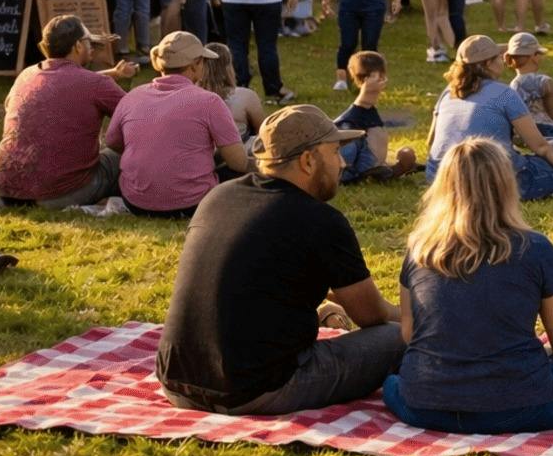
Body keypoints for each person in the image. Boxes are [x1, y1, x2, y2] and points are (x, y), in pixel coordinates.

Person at [156, 104, 405, 414]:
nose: (342, 163)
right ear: (308, 160)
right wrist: (418, 318)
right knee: (399, 335)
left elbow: (260, 275)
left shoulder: (219, 196)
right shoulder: (321, 220)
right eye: (335, 152)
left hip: (176, 381)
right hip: (254, 390)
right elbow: (372, 316)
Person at [381, 139, 553, 433]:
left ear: (441, 189)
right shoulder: (535, 249)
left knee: (391, 383)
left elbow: (410, 334)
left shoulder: (419, 250)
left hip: (422, 407)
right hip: (521, 409)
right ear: (507, 186)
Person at [425, 33, 553, 200]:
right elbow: (541, 147)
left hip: (440, 179)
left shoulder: (447, 93)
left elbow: (431, 142)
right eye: (498, 57)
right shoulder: (504, 93)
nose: (503, 60)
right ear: (488, 64)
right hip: (497, 182)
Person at [0, 16, 137, 208]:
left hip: (8, 192)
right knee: (126, 154)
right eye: (88, 40)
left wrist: (113, 74)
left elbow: (63, 81)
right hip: (60, 193)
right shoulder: (96, 84)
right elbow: (139, 117)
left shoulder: (26, 76)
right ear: (77, 46)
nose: (91, 46)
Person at [106, 31, 249, 218]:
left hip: (136, 202)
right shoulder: (209, 101)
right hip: (192, 203)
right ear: (195, 64)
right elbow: (238, 162)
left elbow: (112, 142)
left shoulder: (132, 96)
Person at [333, 50, 416, 182]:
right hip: (346, 169)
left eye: (382, 75)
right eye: (376, 75)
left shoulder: (365, 116)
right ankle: (370, 173)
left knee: (405, 153)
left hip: (361, 163)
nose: (381, 79)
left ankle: (379, 172)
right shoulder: (347, 124)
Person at [201, 40, 267, 145]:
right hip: (237, 150)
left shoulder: (189, 96)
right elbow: (263, 131)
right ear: (229, 67)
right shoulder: (246, 96)